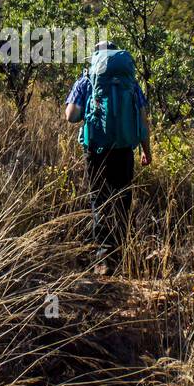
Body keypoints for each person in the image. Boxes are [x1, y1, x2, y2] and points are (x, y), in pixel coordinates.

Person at [64, 40, 151, 271]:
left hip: (96, 150)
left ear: (95, 57)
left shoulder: (86, 80)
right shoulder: (131, 83)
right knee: (122, 199)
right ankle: (120, 255)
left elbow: (71, 116)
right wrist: (146, 151)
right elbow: (142, 120)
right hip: (124, 149)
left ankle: (103, 257)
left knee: (99, 199)